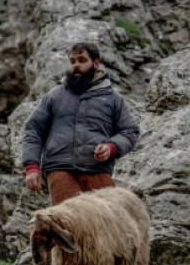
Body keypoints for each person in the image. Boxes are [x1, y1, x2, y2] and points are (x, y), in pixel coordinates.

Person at [21, 42, 140, 205]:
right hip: (59, 169)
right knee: (67, 223)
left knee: (108, 221)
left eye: (82, 60)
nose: (76, 65)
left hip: (97, 168)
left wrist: (111, 147)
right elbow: (33, 130)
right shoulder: (54, 96)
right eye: (72, 61)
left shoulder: (113, 98)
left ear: (96, 63)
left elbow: (129, 131)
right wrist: (32, 168)